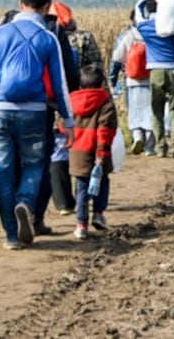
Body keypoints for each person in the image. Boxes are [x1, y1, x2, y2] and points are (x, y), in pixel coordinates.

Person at [0, 0, 75, 250]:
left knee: (4, 171)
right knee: (35, 164)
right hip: (34, 112)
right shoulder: (48, 38)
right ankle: (25, 202)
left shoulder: (0, 34)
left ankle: (11, 236)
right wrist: (68, 123)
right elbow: (60, 85)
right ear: (47, 7)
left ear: (21, 4)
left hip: (0, 112)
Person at [67, 64, 118, 240]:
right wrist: (102, 153)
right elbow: (105, 131)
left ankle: (81, 224)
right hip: (98, 153)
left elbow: (61, 124)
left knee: (81, 189)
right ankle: (98, 213)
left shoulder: (71, 102)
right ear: (102, 84)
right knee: (102, 183)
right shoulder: (106, 104)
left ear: (80, 85)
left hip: (77, 153)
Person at [134, 0, 174, 158]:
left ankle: (161, 148)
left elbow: (137, 9)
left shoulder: (145, 26)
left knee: (156, 111)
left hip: (156, 70)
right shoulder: (173, 25)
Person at [111, 11, 156, 156]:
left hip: (132, 80)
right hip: (150, 79)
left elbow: (117, 58)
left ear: (132, 20)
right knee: (150, 112)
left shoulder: (128, 35)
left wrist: (112, 79)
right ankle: (149, 147)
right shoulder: (154, 34)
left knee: (135, 111)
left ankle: (137, 137)